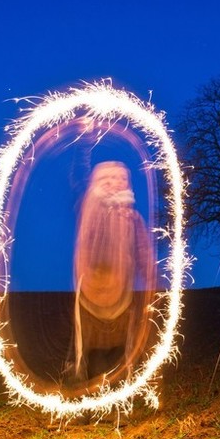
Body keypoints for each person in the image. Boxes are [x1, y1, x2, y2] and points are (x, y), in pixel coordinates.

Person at [71, 161, 156, 385]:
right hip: (91, 296)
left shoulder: (133, 218)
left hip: (121, 295)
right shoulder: (91, 211)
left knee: (118, 352)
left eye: (121, 179)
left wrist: (151, 282)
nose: (116, 183)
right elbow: (94, 247)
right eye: (108, 179)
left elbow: (143, 252)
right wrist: (85, 144)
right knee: (91, 353)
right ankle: (87, 401)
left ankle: (112, 403)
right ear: (97, 183)